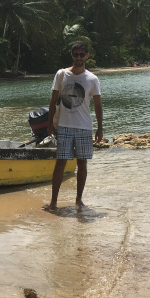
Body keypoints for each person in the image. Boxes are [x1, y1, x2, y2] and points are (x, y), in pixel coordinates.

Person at [42, 41, 103, 210]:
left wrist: (100, 128)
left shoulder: (92, 79)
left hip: (84, 126)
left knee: (82, 163)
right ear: (72, 56)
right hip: (64, 125)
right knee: (60, 162)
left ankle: (79, 200)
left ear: (87, 56)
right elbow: (53, 100)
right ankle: (53, 201)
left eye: (82, 54)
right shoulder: (61, 75)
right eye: (75, 54)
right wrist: (49, 124)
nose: (78, 57)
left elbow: (98, 105)